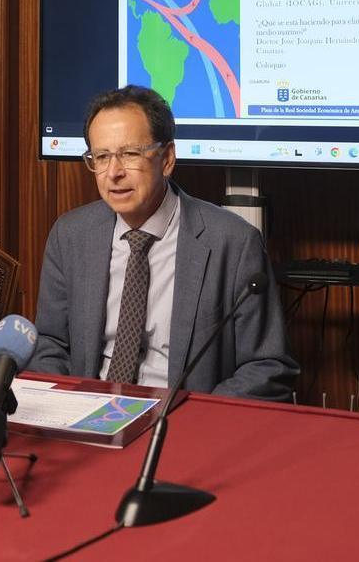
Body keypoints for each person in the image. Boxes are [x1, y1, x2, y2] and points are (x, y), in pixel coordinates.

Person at [29, 85, 298, 400]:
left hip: (183, 418)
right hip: (90, 412)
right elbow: (50, 344)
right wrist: (69, 406)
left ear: (167, 159)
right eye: (101, 157)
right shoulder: (71, 235)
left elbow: (267, 366)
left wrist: (195, 416)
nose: (113, 173)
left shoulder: (234, 242)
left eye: (130, 154)